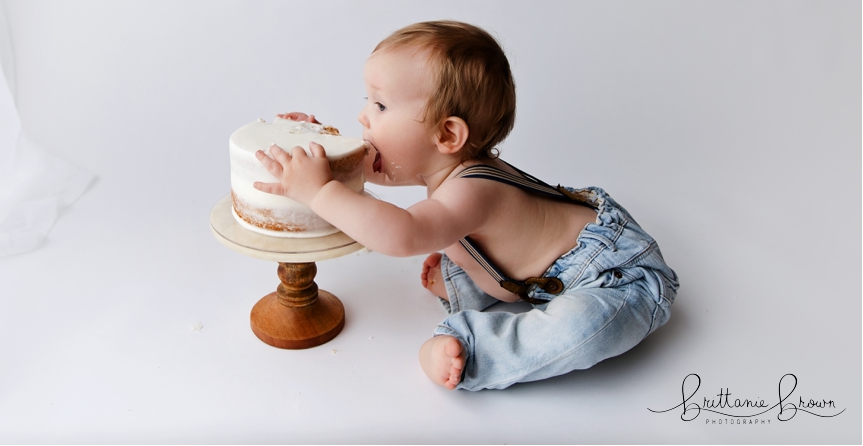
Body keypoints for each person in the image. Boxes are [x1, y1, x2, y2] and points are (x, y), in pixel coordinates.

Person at [253, 20, 679, 391]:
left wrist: (318, 192)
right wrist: (316, 146)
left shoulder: (471, 191)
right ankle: (469, 279)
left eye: (380, 105)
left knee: (583, 329)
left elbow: (403, 234)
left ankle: (475, 350)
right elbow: (363, 177)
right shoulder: (445, 172)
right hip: (535, 270)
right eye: (366, 100)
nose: (363, 117)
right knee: (463, 249)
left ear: (447, 136)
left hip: (615, 273)